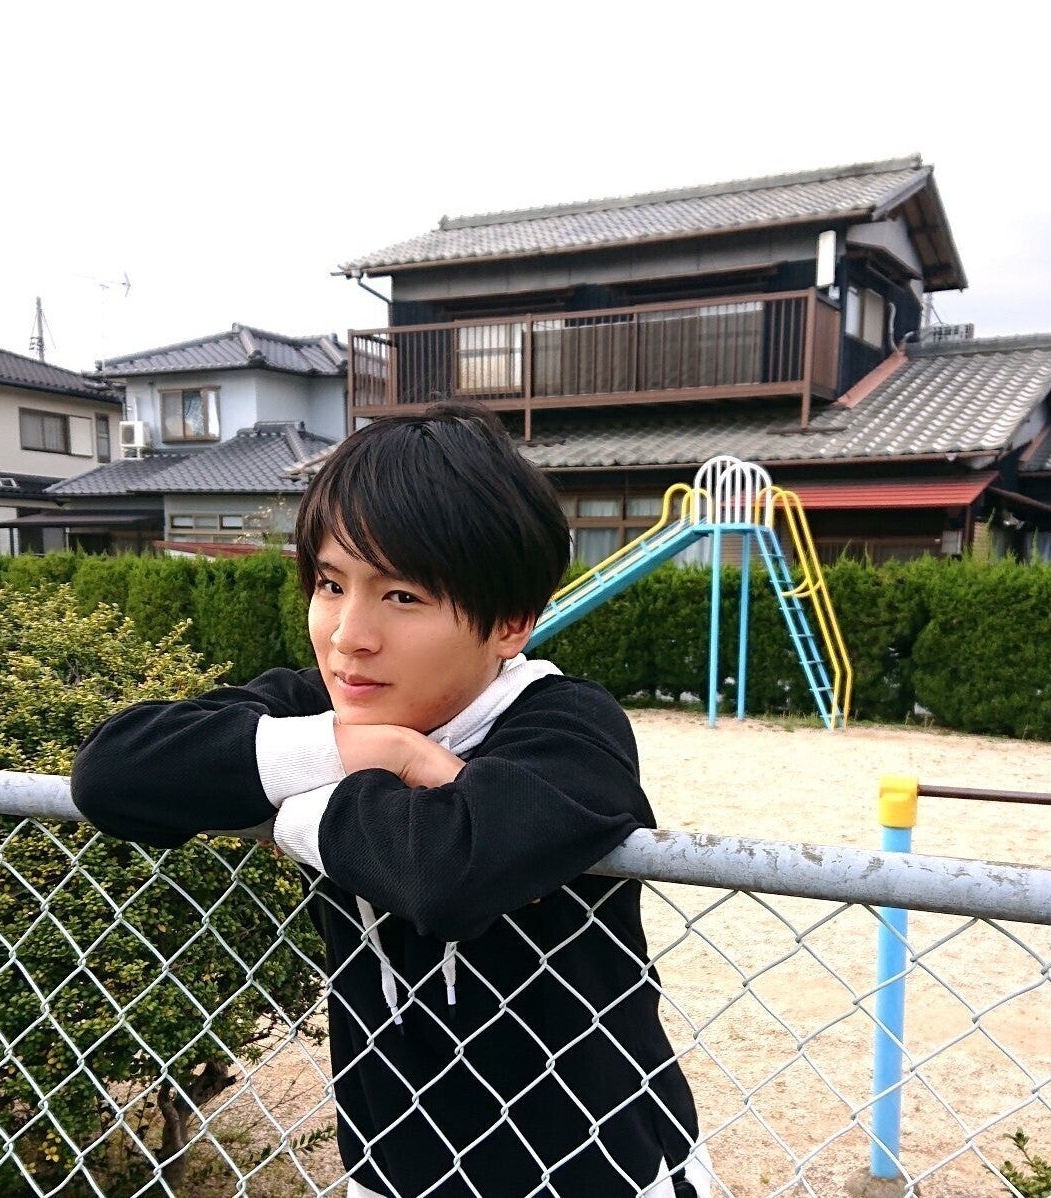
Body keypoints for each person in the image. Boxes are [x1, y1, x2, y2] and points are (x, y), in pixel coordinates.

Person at [71, 402, 714, 1198]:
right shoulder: (329, 706)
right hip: (388, 1167)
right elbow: (111, 773)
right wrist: (374, 752)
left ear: (511, 620)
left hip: (596, 1168)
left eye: (402, 595)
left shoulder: (568, 726)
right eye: (331, 583)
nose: (349, 634)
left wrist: (286, 805)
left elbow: (446, 871)